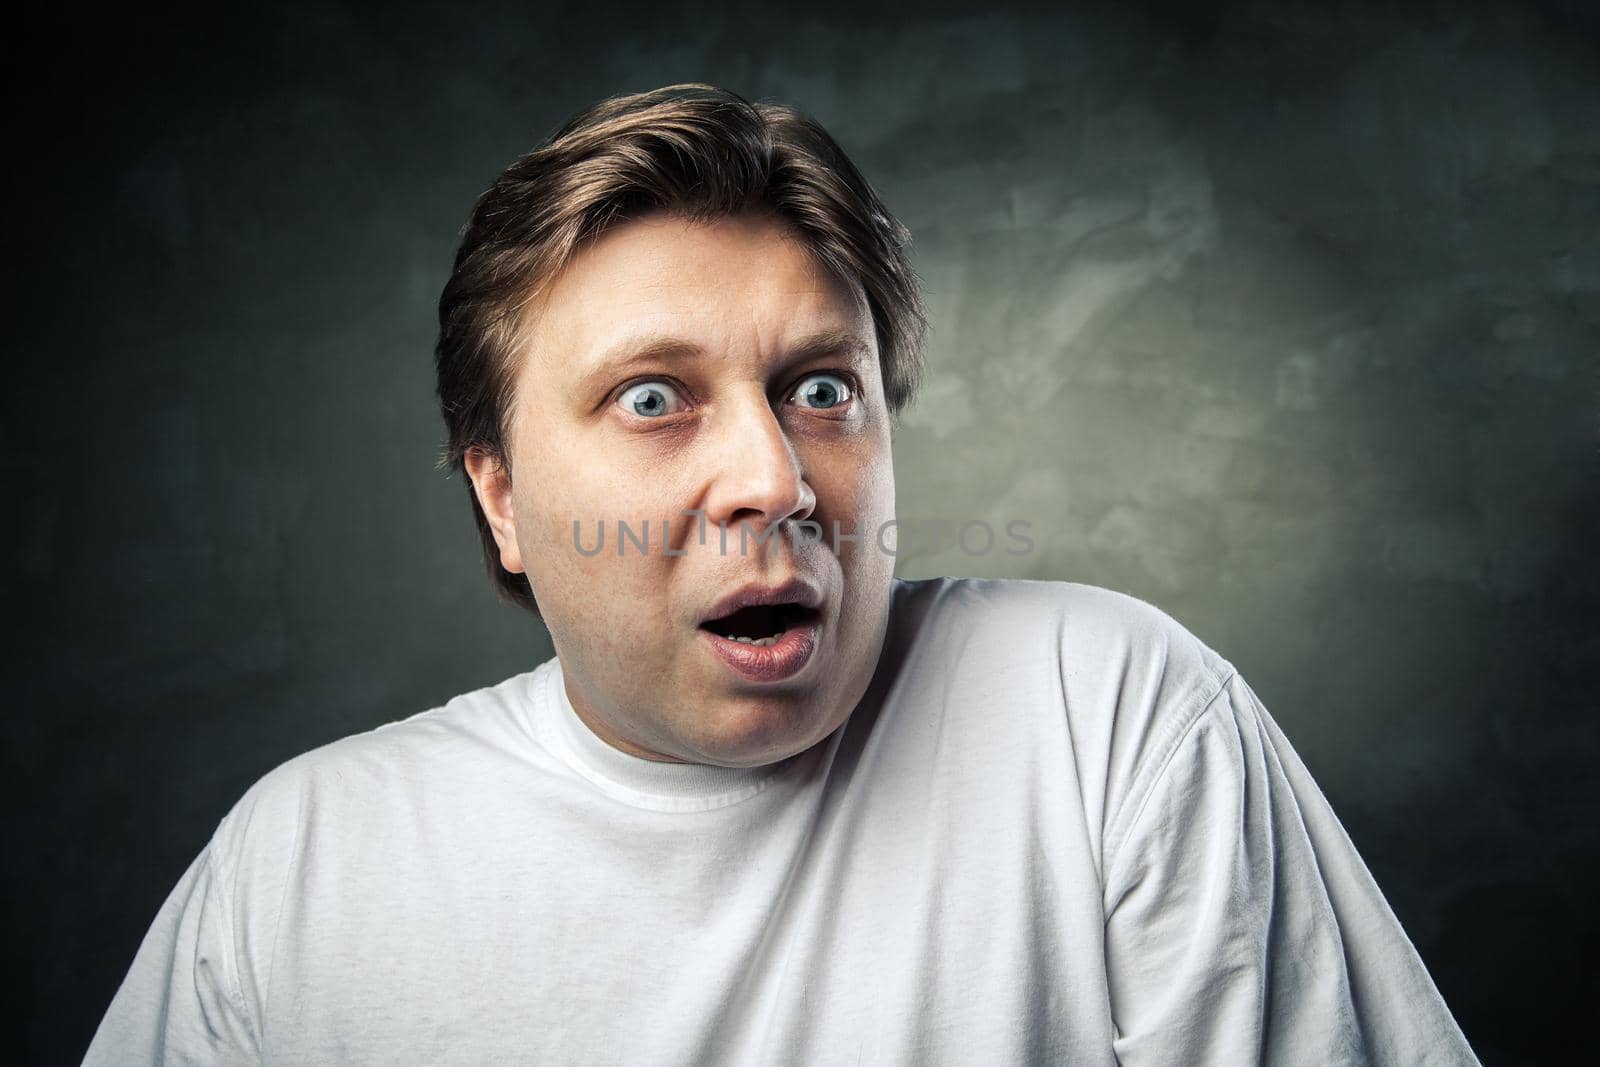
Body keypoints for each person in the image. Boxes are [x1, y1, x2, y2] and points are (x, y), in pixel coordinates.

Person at [84, 83, 1480, 1065]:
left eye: (821, 387)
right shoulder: (306, 871)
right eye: (651, 399)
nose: (774, 479)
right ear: (500, 498)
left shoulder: (1107, 718)